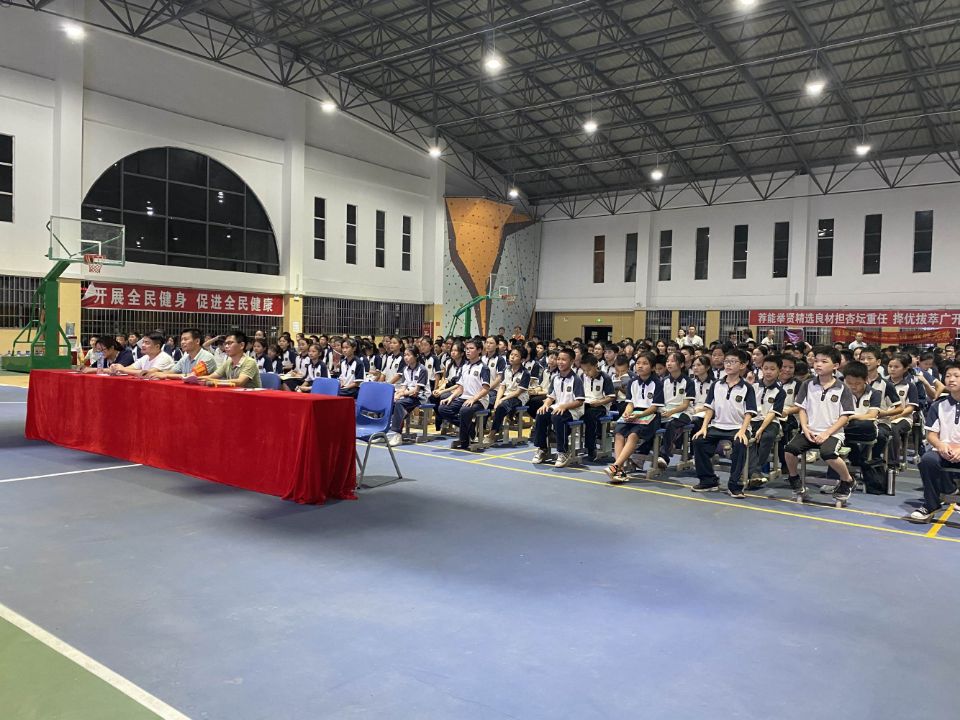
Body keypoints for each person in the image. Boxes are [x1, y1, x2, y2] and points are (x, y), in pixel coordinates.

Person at [783, 346, 856, 503]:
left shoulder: (842, 388)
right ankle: (794, 479)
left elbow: (845, 416)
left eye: (824, 361)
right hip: (809, 430)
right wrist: (805, 427)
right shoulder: (807, 385)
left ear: (835, 366)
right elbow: (801, 409)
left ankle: (847, 480)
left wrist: (827, 433)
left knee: (828, 454)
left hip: (833, 433)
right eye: (816, 361)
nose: (818, 364)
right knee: (789, 451)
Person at [690, 348, 756, 497]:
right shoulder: (716, 385)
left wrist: (742, 431)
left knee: (740, 443)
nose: (728, 365)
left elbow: (749, 412)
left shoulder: (747, 388)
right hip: (717, 425)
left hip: (738, 427)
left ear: (742, 365)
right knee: (699, 441)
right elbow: (709, 409)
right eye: (727, 361)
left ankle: (734, 485)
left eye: (733, 362)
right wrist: (704, 427)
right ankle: (708, 481)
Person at [908, 362, 960, 523]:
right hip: (943, 450)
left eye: (956, 376)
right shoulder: (938, 405)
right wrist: (940, 446)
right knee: (927, 460)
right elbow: (931, 435)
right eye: (948, 376)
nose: (951, 379)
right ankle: (931, 504)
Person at [604, 352, 663, 483]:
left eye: (645, 363)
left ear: (652, 368)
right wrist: (627, 412)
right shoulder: (632, 382)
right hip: (634, 414)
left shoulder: (657, 383)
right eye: (638, 363)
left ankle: (615, 467)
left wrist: (639, 415)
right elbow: (630, 403)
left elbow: (654, 408)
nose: (640, 366)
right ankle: (619, 470)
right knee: (618, 432)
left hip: (650, 416)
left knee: (632, 435)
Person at [531, 347, 585, 468]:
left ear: (571, 362)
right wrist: (545, 405)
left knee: (558, 416)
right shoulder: (555, 378)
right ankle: (542, 449)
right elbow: (551, 397)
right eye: (558, 359)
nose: (560, 362)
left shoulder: (576, 379)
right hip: (558, 407)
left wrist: (564, 406)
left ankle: (563, 451)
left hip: (572, 410)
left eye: (563, 360)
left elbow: (580, 401)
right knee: (541, 413)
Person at [436, 339, 491, 451]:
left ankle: (464, 441)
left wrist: (473, 399)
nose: (468, 351)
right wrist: (450, 397)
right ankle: (470, 428)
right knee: (443, 408)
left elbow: (485, 389)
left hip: (479, 400)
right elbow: (460, 387)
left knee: (464, 410)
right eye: (467, 349)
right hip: (463, 398)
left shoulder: (484, 368)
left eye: (471, 348)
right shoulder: (464, 366)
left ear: (479, 350)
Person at [746, 354, 786, 488]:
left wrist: (761, 429)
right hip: (752, 420)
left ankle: (753, 471)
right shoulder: (753, 386)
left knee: (766, 436)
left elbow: (773, 413)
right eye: (766, 368)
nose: (768, 372)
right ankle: (754, 473)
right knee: (748, 437)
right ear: (761, 368)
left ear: (779, 371)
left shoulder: (780, 391)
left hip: (770, 422)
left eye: (772, 369)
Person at [486, 346, 531, 443]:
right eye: (511, 355)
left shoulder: (525, 373)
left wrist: (501, 400)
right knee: (487, 402)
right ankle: (481, 430)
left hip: (519, 398)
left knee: (502, 406)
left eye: (516, 356)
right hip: (506, 395)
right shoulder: (506, 370)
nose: (512, 357)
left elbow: (518, 392)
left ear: (522, 359)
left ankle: (492, 434)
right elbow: (502, 387)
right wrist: (498, 399)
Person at [656, 352, 693, 470]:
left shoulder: (688, 382)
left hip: (684, 412)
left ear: (681, 364)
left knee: (671, 424)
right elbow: (660, 401)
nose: (669, 363)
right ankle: (642, 453)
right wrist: (662, 411)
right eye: (667, 361)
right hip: (666, 411)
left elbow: (685, 405)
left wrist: (671, 413)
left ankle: (664, 455)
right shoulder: (664, 381)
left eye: (672, 361)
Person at [387, 347, 428, 446]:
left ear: (416, 356)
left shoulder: (422, 369)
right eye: (405, 355)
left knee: (399, 404)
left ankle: (397, 434)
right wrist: (398, 394)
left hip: (420, 397)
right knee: (390, 401)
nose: (406, 357)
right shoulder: (405, 369)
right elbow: (403, 386)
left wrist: (402, 394)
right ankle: (384, 432)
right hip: (408, 396)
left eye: (408, 355)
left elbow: (416, 390)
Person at [579, 354, 615, 462]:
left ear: (596, 366)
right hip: (585, 404)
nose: (586, 373)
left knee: (590, 416)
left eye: (588, 370)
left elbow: (611, 397)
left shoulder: (605, 378)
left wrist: (599, 402)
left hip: (600, 407)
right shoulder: (582, 377)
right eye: (584, 370)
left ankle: (591, 448)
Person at [197, 332, 262, 388]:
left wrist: (216, 382)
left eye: (230, 343)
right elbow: (211, 377)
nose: (226, 346)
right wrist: (194, 379)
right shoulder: (228, 362)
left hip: (251, 399)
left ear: (242, 345)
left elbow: (240, 382)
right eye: (225, 343)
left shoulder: (250, 362)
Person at [146, 329, 218, 379]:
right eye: (181, 340)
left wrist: (165, 376)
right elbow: (172, 371)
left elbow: (192, 376)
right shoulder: (185, 357)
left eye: (186, 339)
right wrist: (159, 374)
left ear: (197, 341)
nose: (182, 342)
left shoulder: (207, 357)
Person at [111, 332, 175, 375]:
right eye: (143, 342)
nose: (143, 345)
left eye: (147, 343)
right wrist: (117, 367)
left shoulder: (164, 358)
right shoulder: (145, 357)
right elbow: (130, 368)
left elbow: (147, 373)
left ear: (157, 346)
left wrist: (123, 370)